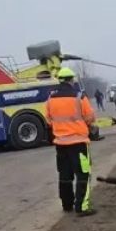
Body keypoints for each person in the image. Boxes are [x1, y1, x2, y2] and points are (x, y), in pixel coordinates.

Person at [47, 67, 97, 216]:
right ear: (71, 80)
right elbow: (90, 118)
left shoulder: (51, 98)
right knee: (83, 174)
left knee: (64, 176)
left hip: (60, 144)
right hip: (78, 143)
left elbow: (48, 119)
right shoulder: (79, 97)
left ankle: (67, 205)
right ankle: (82, 207)